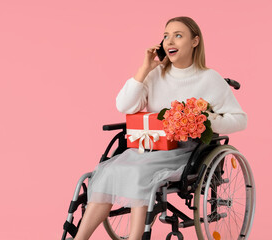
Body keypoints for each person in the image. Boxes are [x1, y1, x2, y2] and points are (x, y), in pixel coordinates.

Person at [74, 16, 247, 240]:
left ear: (195, 41)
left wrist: (203, 119)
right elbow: (123, 105)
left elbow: (240, 120)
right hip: (149, 147)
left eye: (178, 35)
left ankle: (135, 237)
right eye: (166, 36)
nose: (169, 41)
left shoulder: (210, 79)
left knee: (138, 172)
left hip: (187, 153)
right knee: (108, 170)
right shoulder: (155, 75)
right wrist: (144, 69)